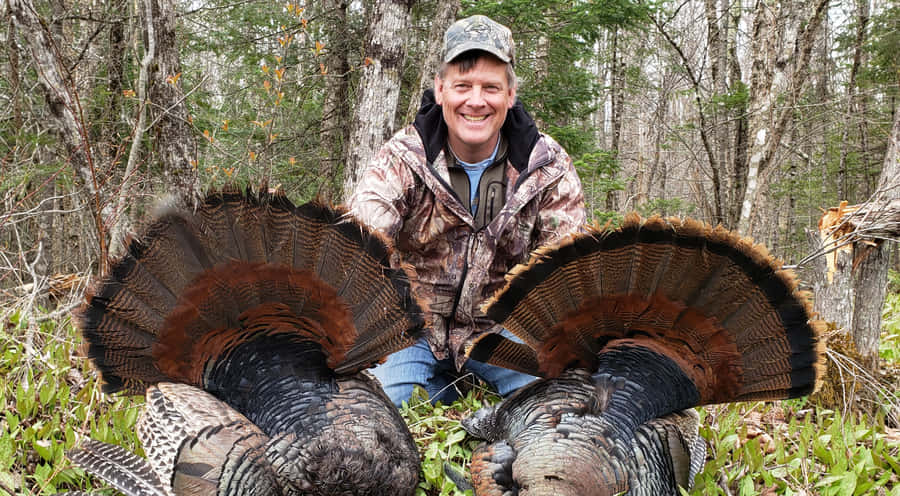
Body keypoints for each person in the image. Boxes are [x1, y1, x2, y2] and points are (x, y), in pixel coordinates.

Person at [347, 14, 586, 407]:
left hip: (502, 332)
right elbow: (361, 242)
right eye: (463, 86)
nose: (476, 101)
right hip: (412, 329)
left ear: (510, 96)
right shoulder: (403, 159)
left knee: (554, 410)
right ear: (441, 90)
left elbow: (566, 271)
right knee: (383, 411)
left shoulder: (546, 167)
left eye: (491, 87)